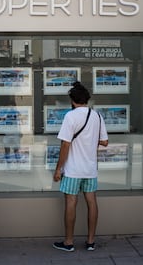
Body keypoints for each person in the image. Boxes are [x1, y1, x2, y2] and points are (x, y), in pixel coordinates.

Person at [53, 81, 108, 252]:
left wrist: (58, 169)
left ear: (72, 100)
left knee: (71, 202)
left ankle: (69, 242)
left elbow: (65, 145)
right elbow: (105, 142)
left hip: (73, 170)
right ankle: (91, 242)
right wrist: (89, 140)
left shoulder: (71, 116)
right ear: (86, 99)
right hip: (90, 169)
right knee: (92, 202)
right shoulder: (97, 116)